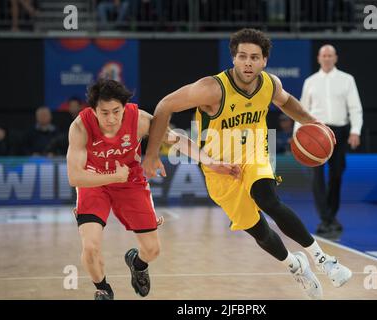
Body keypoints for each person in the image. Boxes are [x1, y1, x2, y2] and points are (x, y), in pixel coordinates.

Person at [143, 28, 352, 299]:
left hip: (255, 156)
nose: (248, 63)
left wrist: (313, 122)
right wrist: (151, 154)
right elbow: (164, 105)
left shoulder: (270, 84)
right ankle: (295, 265)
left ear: (264, 60)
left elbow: (287, 102)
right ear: (233, 58)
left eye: (254, 57)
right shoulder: (211, 88)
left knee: (267, 199)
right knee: (260, 231)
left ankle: (324, 260)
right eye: (242, 56)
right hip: (218, 168)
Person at [66, 79, 221, 300]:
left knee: (153, 250)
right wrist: (113, 176)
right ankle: (104, 289)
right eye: (104, 113)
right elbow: (74, 176)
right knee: (90, 246)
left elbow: (177, 140)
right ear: (93, 110)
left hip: (130, 181)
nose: (111, 119)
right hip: (94, 181)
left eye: (116, 111)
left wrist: (210, 161)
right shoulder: (80, 127)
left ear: (124, 106)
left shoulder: (138, 119)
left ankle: (137, 263)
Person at [296, 44, 363, 237]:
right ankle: (325, 219)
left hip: (339, 131)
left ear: (335, 58)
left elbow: (355, 108)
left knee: (337, 174)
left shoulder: (347, 80)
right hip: (316, 132)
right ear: (318, 58)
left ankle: (331, 216)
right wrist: (297, 135)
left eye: (330, 55)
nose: (326, 58)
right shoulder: (310, 81)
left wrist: (355, 131)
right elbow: (301, 110)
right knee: (316, 177)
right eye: (323, 55)